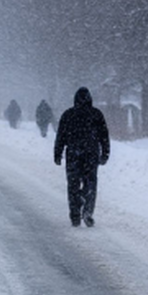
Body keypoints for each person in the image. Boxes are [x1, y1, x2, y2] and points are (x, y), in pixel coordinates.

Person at [53, 87, 110, 227]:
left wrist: (58, 153)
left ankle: (75, 215)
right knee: (90, 183)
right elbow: (104, 136)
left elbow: (61, 136)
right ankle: (88, 210)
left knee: (73, 185)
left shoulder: (68, 114)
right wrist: (105, 153)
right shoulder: (96, 114)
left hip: (73, 154)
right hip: (91, 154)